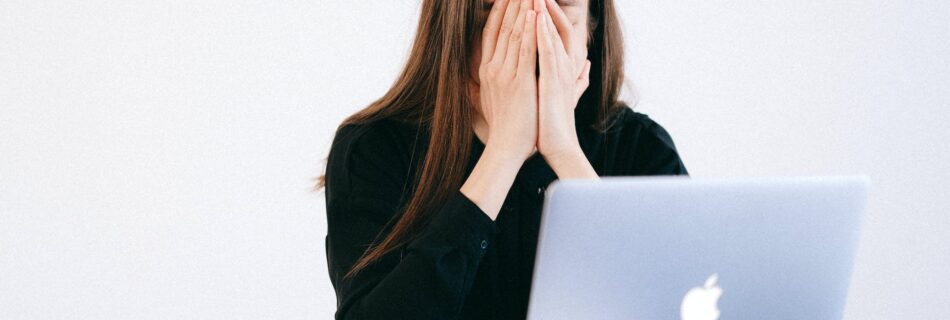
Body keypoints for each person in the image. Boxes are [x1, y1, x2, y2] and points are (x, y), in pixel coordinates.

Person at [316, 0, 688, 318]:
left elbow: (674, 302)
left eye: (560, 11)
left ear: (591, 28)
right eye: (498, 12)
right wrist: (504, 151)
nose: (532, 39)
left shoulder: (642, 149)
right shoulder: (374, 149)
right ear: (455, 28)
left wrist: (563, 150)